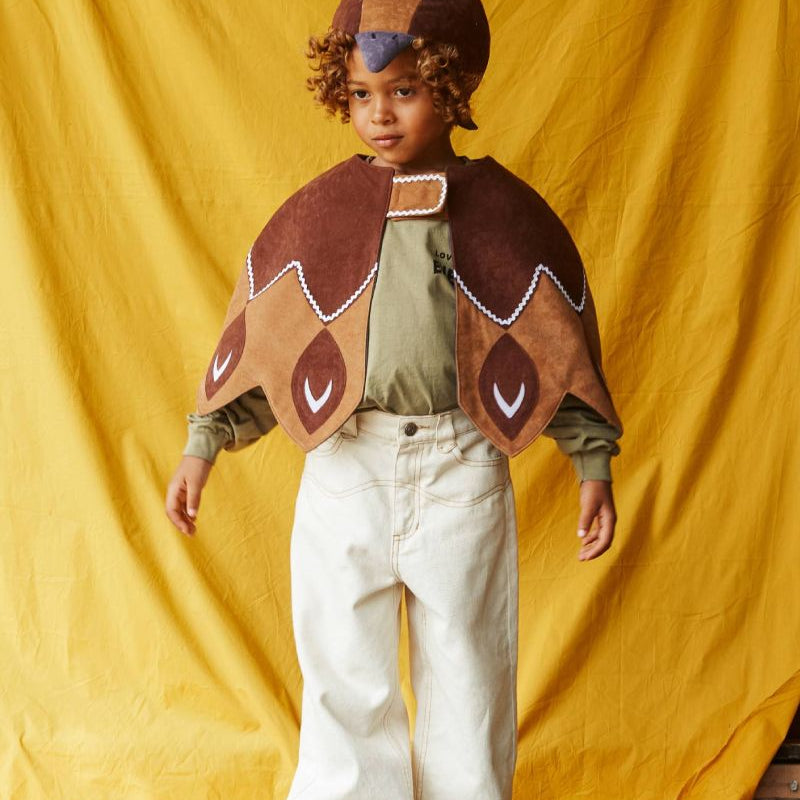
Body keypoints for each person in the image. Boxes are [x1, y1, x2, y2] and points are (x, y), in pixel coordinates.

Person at [165, 1, 622, 797]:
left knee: (470, 672)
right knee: (342, 672)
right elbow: (267, 347)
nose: (379, 114)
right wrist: (202, 446)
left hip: (461, 469)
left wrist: (593, 464)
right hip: (347, 467)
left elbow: (554, 346)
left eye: (403, 90)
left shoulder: (505, 212)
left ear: (450, 85)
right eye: (360, 93)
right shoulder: (317, 216)